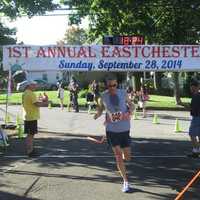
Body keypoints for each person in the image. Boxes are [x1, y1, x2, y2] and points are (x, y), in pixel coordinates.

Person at [94, 75, 134, 193]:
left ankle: (123, 157)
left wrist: (129, 112)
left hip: (124, 129)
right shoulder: (103, 96)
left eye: (114, 85)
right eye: (109, 85)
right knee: (117, 155)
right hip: (111, 130)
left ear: (117, 84)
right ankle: (126, 181)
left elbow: (132, 105)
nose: (112, 87)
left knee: (127, 157)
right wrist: (97, 114)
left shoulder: (123, 93)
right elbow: (101, 108)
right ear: (106, 85)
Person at [22, 80, 48, 157]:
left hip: (28, 116)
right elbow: (36, 104)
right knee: (30, 135)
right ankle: (30, 151)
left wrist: (43, 100)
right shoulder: (30, 93)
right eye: (34, 85)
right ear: (29, 85)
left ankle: (30, 149)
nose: (35, 86)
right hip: (31, 117)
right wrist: (46, 102)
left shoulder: (26, 93)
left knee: (30, 134)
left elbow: (34, 102)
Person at [188, 80, 200, 158]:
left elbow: (195, 109)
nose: (190, 88)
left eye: (191, 87)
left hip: (197, 117)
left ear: (195, 87)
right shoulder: (196, 95)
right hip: (196, 116)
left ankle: (196, 151)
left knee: (191, 134)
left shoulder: (197, 96)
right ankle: (197, 150)